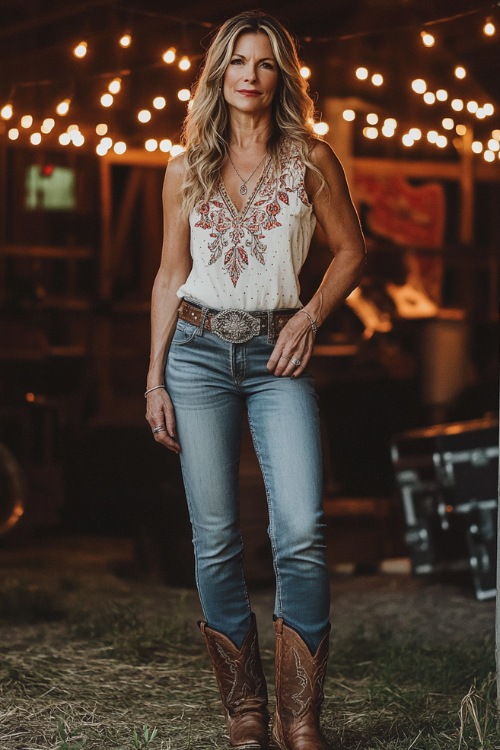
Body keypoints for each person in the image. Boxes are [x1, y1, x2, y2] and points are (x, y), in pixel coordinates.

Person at [145, 10, 365, 750]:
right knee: (214, 540)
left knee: (300, 529)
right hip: (197, 355)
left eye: (265, 63)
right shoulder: (184, 166)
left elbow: (351, 252)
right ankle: (245, 714)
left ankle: (299, 718)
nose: (249, 74)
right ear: (218, 73)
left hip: (280, 356)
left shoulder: (310, 157)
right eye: (237, 61)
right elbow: (170, 274)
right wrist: (153, 379)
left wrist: (310, 317)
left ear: (280, 78)